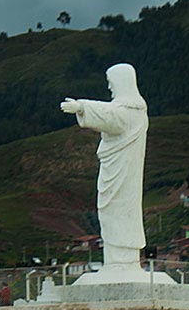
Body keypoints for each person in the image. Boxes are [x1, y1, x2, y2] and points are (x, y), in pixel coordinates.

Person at [60, 63, 149, 279]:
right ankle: (115, 261)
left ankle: (123, 262)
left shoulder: (130, 112)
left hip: (123, 176)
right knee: (110, 212)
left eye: (111, 83)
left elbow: (110, 116)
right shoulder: (130, 111)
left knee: (118, 212)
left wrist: (81, 107)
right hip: (115, 170)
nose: (110, 88)